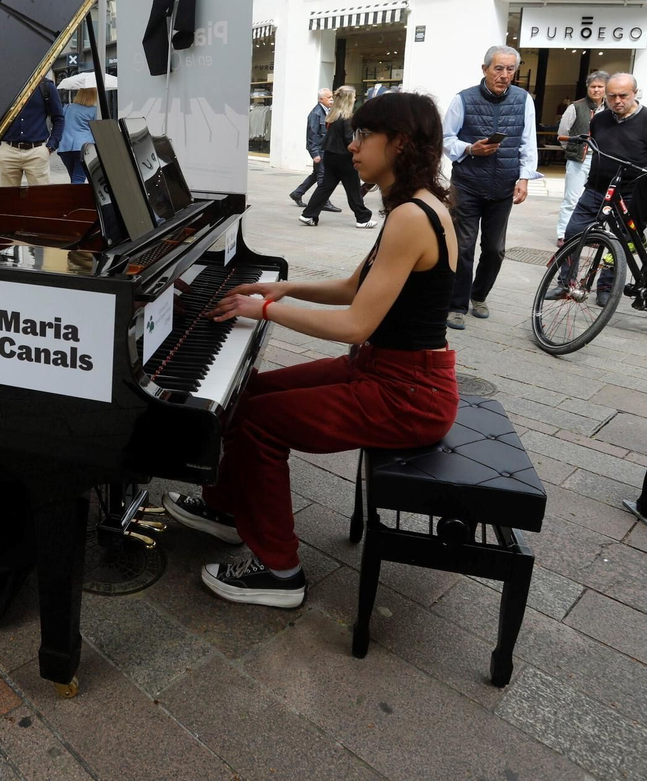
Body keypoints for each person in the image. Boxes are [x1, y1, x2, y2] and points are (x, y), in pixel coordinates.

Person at [161, 92, 458, 608]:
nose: (352, 144)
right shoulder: (414, 204)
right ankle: (228, 510)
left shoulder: (411, 215)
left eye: (364, 135)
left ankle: (279, 571)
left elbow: (354, 324)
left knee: (260, 422)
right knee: (244, 393)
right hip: (389, 373)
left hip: (408, 393)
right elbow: (353, 287)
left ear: (401, 143)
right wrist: (284, 289)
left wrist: (265, 312)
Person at [441, 44, 537, 329]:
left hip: (504, 186)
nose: (504, 75)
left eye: (510, 69)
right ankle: (456, 305)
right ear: (484, 69)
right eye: (498, 68)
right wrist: (470, 148)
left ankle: (479, 295)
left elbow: (527, 141)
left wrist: (524, 178)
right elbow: (446, 139)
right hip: (467, 184)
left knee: (495, 249)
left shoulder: (523, 100)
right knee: (464, 246)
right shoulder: (464, 99)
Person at [551, 73, 647, 301]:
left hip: (630, 193)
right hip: (596, 189)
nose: (617, 101)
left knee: (619, 242)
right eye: (611, 96)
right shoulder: (600, 119)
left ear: (635, 93)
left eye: (623, 95)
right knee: (573, 233)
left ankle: (605, 288)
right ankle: (566, 284)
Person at [299, 86, 376, 228]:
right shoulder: (347, 118)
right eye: (353, 96)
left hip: (330, 156)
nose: (354, 99)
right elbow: (349, 140)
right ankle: (363, 219)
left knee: (325, 187)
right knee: (353, 189)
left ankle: (308, 215)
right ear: (348, 99)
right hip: (344, 158)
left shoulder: (332, 116)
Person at [556, 72, 608, 242]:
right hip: (579, 159)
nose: (596, 90)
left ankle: (590, 235)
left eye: (600, 86)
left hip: (601, 160)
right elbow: (563, 132)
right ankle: (564, 234)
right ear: (587, 87)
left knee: (596, 199)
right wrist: (572, 150)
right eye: (593, 86)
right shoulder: (576, 107)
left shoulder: (610, 109)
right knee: (571, 198)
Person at [0, 78, 63, 187]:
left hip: (37, 151)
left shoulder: (45, 86)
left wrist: (51, 145)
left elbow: (59, 118)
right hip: (8, 150)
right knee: (7, 200)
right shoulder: (3, 86)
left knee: (40, 199)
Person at [289, 88, 340, 213]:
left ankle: (297, 193)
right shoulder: (316, 113)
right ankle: (324, 201)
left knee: (316, 175)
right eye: (329, 97)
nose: (331, 100)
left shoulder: (327, 111)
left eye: (331, 97)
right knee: (323, 177)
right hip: (320, 150)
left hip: (325, 149)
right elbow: (312, 135)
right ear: (321, 99)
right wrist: (315, 153)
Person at [55, 86, 99, 184]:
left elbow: (60, 123)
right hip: (83, 148)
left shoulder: (67, 107)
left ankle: (73, 197)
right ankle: (77, 199)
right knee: (78, 178)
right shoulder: (94, 111)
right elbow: (97, 130)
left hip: (65, 147)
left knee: (74, 177)